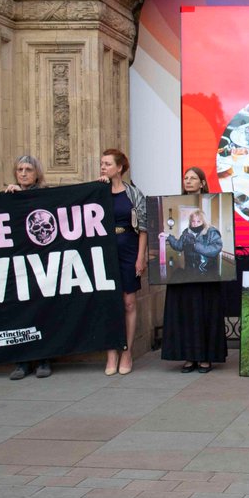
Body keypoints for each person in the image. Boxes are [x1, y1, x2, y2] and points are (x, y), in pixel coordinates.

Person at [160, 167, 227, 374]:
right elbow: (180, 246)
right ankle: (190, 356)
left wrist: (196, 245)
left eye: (193, 178)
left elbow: (215, 249)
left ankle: (206, 357)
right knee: (187, 314)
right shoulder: (186, 232)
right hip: (188, 277)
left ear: (202, 183)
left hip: (206, 277)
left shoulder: (212, 231)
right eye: (185, 178)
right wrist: (168, 238)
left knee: (205, 314)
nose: (188, 181)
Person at [4, 155, 54, 380]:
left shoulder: (47, 195)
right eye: (19, 169)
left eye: (28, 169)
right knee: (20, 311)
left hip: (42, 261)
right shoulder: (8, 196)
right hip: (17, 263)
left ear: (37, 173)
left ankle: (44, 359)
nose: (23, 173)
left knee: (43, 310)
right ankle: (22, 362)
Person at [99, 149, 147, 376]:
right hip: (105, 251)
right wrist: (96, 191)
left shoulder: (133, 194)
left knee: (129, 302)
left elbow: (143, 229)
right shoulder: (98, 192)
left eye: (107, 164)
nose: (103, 167)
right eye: (102, 164)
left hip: (128, 247)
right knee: (110, 303)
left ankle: (126, 351)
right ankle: (111, 352)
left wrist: (140, 258)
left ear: (119, 168)